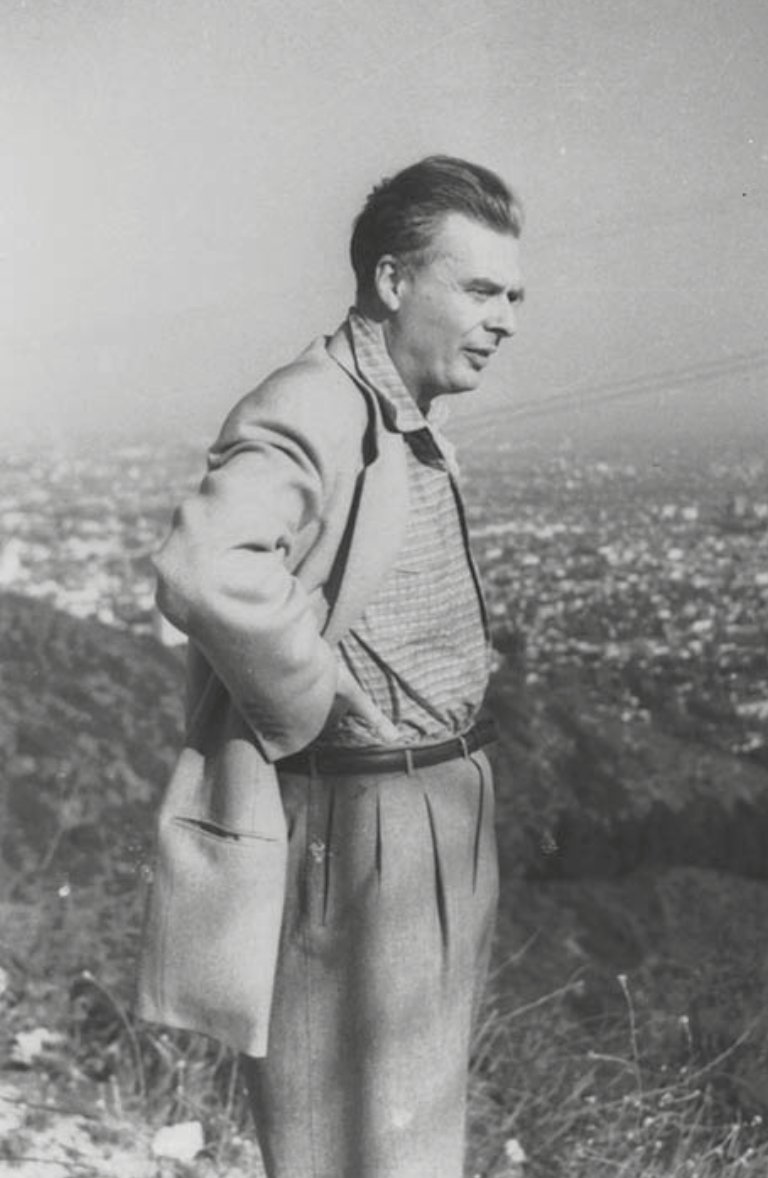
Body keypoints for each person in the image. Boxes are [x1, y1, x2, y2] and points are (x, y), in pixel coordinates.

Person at [136, 155, 525, 1178]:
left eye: (512, 295)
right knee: (348, 1150)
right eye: (480, 288)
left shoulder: (394, 407)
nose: (505, 320)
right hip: (362, 822)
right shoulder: (317, 399)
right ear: (394, 282)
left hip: (437, 805)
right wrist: (313, 701)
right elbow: (203, 563)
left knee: (410, 1138)